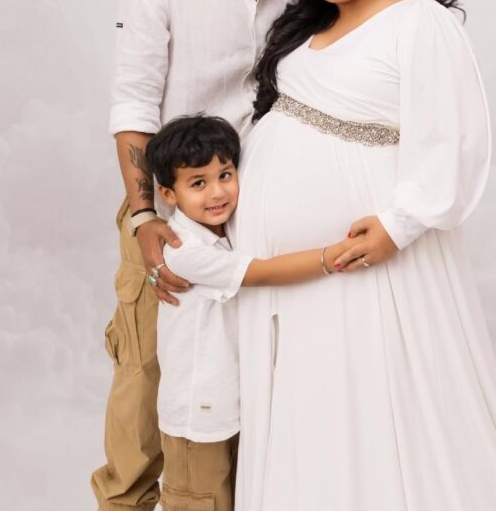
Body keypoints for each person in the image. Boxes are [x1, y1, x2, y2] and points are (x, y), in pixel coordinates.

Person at [230, 0, 496, 510]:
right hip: (288, 276)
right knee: (309, 408)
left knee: (375, 398)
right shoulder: (307, 29)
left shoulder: (419, 21)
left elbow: (452, 137)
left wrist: (400, 225)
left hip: (364, 257)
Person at [91, 0, 310, 511]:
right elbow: (133, 97)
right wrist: (143, 216)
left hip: (260, 206)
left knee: (247, 393)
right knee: (146, 382)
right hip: (167, 208)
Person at [145, 114, 351, 511]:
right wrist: (333, 256)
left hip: (230, 407)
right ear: (168, 194)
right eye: (198, 183)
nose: (217, 192)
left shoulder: (229, 232)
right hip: (197, 418)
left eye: (225, 175)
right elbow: (264, 272)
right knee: (197, 502)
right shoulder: (184, 250)